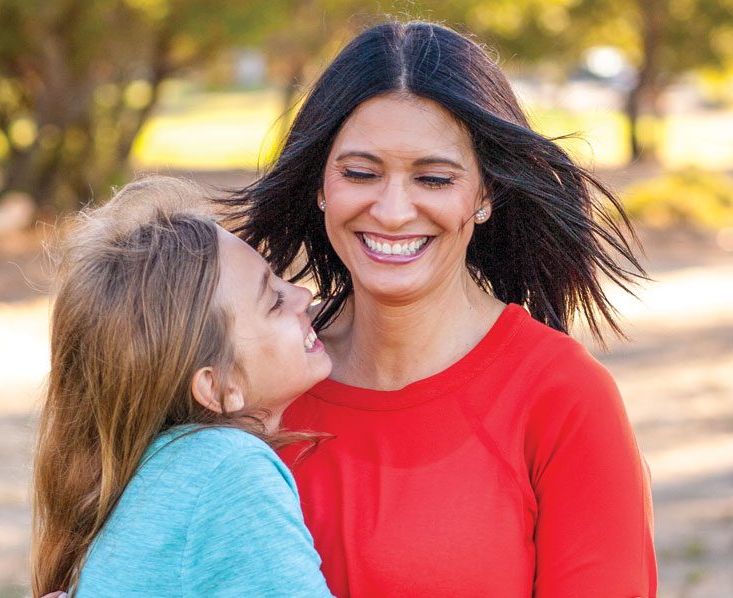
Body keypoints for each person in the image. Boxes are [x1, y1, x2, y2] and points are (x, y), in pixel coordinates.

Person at [223, 20, 658, 598]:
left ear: (484, 194)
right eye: (360, 172)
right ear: (321, 183)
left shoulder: (563, 396)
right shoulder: (251, 377)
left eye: (432, 178)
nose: (395, 210)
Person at [30, 177, 335, 598]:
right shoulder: (230, 469)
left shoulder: (160, 465)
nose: (302, 296)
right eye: (275, 302)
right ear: (217, 386)